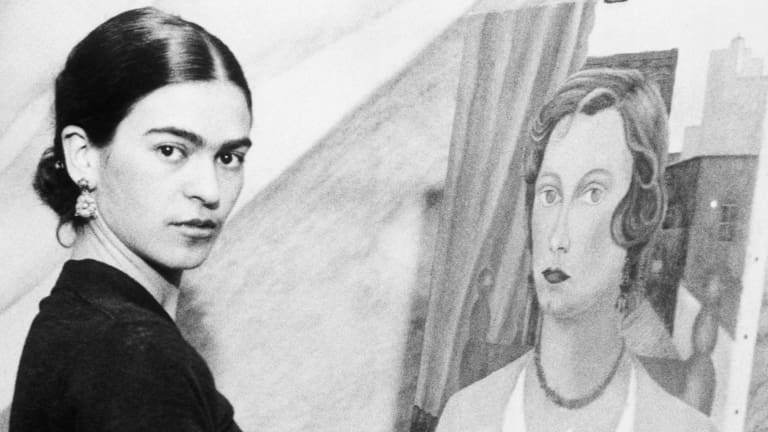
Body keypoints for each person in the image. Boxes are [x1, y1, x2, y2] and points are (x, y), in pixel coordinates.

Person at [10, 7, 252, 432]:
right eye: (170, 150)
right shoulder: (134, 354)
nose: (210, 190)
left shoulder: (78, 321)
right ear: (83, 156)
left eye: (229, 157)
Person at [436, 69, 717, 431]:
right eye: (550, 193)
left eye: (592, 193)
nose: (558, 236)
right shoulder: (465, 416)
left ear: (639, 213)